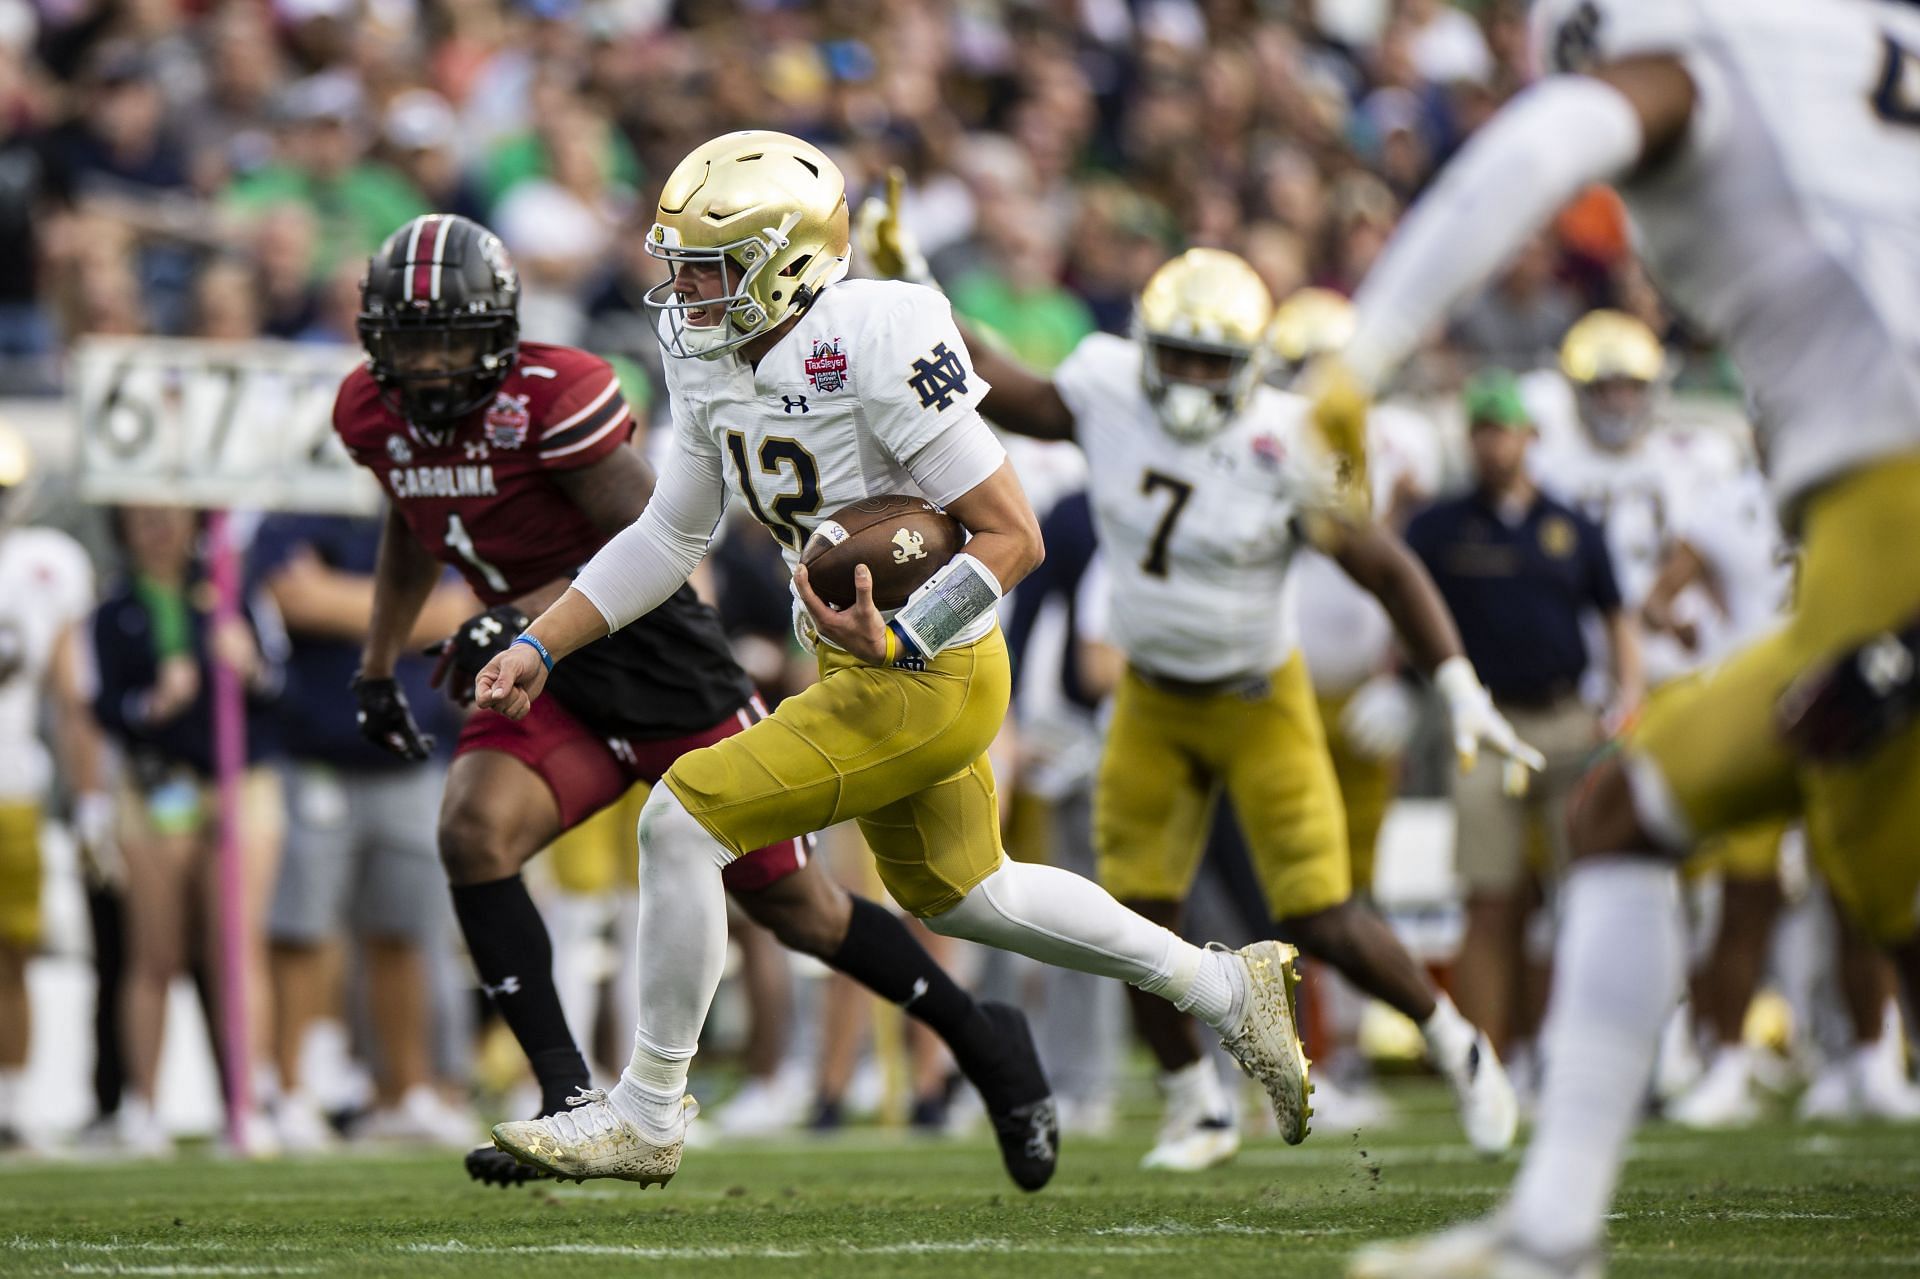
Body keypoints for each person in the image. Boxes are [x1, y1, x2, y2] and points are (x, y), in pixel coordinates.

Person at [474, 130, 1314, 1187]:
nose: (682, 288)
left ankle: (645, 1111)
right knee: (969, 893)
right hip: (857, 663)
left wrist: (907, 632)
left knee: (679, 820)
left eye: (707, 266)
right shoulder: (706, 352)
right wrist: (542, 641)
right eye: (678, 263)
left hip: (932, 666)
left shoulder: (877, 331)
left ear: (784, 262)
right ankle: (1227, 989)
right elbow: (669, 534)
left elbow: (1013, 533)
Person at [1312, 0, 1920, 1272]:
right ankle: (1552, 1230)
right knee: (1630, 819)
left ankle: (1550, 1235)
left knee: (1885, 897)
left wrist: (1353, 359)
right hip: (1871, 543)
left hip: (1893, 516)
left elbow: (1539, 150)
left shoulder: (1690, 65)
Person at [335, 211, 1058, 1191]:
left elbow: (650, 546)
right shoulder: (371, 416)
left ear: (497, 331)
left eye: (449, 339)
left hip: (660, 669)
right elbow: (414, 521)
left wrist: (518, 617)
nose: (427, 367)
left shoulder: (556, 395)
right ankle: (568, 1098)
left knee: (798, 907)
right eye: (409, 342)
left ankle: (982, 1037)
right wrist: (379, 662)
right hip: (550, 678)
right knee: (472, 831)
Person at [887, 239, 1533, 1167]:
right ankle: (1197, 1104)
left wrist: (1454, 680)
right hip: (1151, 694)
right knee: (1136, 920)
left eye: (1212, 360)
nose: (1189, 378)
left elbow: (1386, 567)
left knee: (1319, 911)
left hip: (1259, 696)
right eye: (1177, 354)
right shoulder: (1107, 384)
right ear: (1145, 345)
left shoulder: (1293, 439)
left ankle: (1455, 1043)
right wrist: (918, 289)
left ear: (1252, 367)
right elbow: (1003, 382)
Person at [1403, 371, 1638, 1070]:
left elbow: (1616, 615)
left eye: (1501, 429)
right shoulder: (1440, 526)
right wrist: (1401, 683)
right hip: (1486, 720)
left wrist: (1628, 696)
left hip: (1567, 717)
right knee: (1490, 897)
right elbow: (1404, 609)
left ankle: (1572, 1052)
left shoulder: (1571, 525)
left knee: (1582, 898)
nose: (1491, 444)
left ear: (1529, 436)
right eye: (1480, 429)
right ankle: (1489, 1061)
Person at [252, 513, 478, 1150]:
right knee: (301, 931)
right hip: (317, 753)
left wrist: (334, 600)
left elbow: (455, 613)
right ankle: (290, 1092)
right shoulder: (294, 511)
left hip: (408, 755)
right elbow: (288, 598)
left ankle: (402, 1093)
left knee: (404, 933)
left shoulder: (427, 512)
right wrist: (406, 610)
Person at [90, 504, 287, 1155]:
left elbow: (275, 683)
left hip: (238, 777)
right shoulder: (113, 607)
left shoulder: (232, 589)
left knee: (235, 943)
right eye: (146, 518)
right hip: (159, 782)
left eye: (171, 517)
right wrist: (152, 705)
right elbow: (101, 703)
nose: (159, 529)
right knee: (156, 948)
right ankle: (143, 1103)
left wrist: (248, 663)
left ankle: (249, 1096)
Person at [0, 423, 110, 1149]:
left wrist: (93, 794)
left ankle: (10, 1099)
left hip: (12, 781)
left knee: (11, 950)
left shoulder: (43, 561)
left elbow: (74, 696)